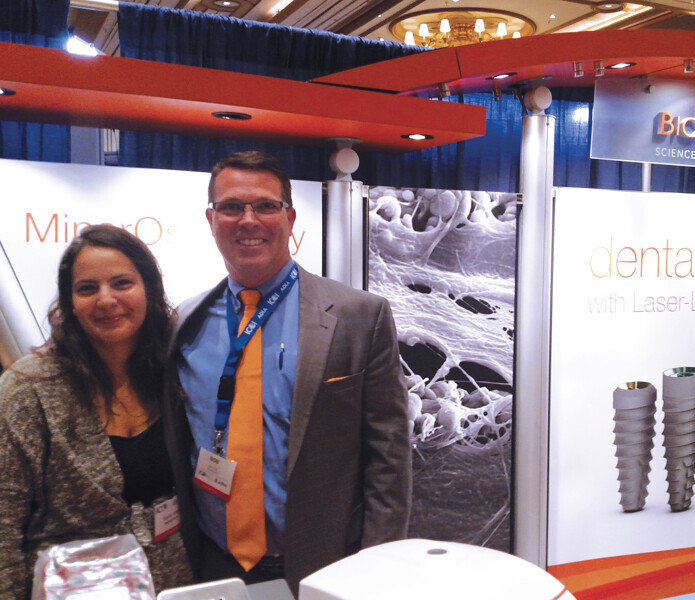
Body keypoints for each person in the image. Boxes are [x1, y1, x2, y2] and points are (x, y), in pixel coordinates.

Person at [164, 150, 412, 595]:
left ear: (290, 217)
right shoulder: (185, 323)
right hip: (215, 566)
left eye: (265, 205)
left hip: (326, 568)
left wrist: (377, 570)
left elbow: (389, 460)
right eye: (231, 207)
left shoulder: (359, 317)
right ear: (211, 219)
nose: (248, 220)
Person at [0, 224, 194, 597]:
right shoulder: (28, 390)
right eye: (88, 288)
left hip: (176, 584)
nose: (106, 300)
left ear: (149, 289)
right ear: (70, 302)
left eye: (122, 283)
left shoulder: (174, 369)